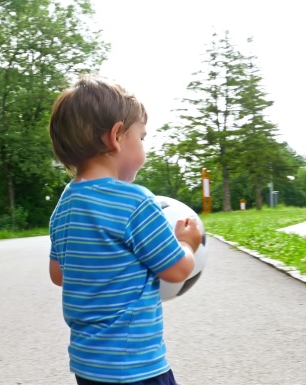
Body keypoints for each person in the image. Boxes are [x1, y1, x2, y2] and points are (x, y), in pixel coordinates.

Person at [48, 74, 203, 385]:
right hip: (137, 367)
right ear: (117, 136)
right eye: (142, 137)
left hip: (88, 368)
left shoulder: (64, 206)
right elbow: (175, 271)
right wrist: (187, 243)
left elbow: (58, 275)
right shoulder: (135, 202)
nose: (144, 147)